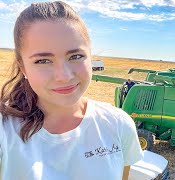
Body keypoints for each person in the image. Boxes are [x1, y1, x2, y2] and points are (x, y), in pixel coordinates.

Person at [0, 1, 143, 180]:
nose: (64, 76)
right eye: (43, 61)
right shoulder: (4, 131)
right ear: (22, 68)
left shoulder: (118, 124)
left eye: (76, 56)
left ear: (90, 58)